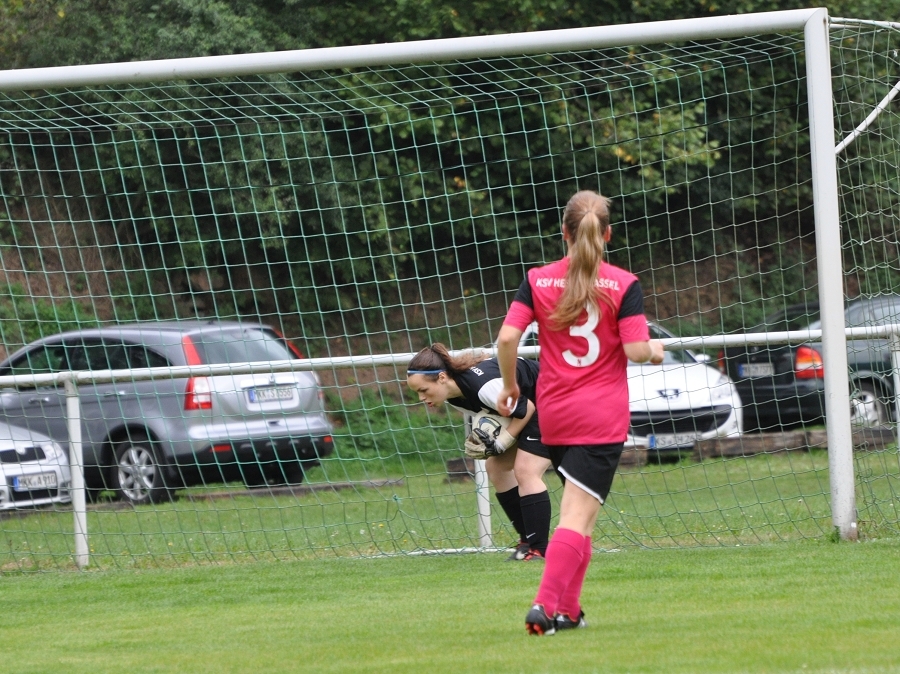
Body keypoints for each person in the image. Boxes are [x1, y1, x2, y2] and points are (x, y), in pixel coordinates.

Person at [495, 190, 664, 635]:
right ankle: (543, 607)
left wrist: (511, 385)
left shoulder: (538, 279)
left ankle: (569, 611)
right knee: (575, 514)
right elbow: (635, 349)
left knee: (583, 515)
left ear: (564, 233)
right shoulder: (623, 284)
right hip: (600, 417)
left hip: (555, 413)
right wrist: (655, 350)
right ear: (607, 234)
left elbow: (507, 339)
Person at [407, 344, 553, 560]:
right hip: (533, 405)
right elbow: (505, 413)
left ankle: (539, 550)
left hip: (555, 399)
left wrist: (502, 441)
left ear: (442, 378)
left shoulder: (484, 387)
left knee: (526, 470)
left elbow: (527, 409)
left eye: (423, 390)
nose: (421, 398)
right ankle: (527, 542)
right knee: (496, 467)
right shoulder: (455, 396)